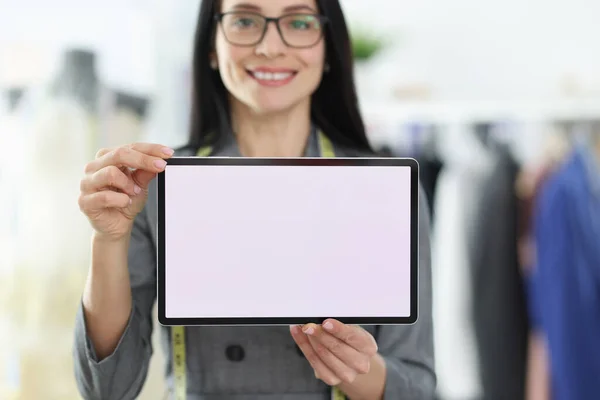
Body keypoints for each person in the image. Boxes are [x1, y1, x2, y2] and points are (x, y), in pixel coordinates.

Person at [73, 0, 436, 399]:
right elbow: (105, 389)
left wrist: (355, 369)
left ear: (328, 47)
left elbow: (417, 388)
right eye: (245, 21)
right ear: (212, 46)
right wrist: (107, 239)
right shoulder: (155, 184)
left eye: (298, 22)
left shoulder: (384, 189)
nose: (270, 47)